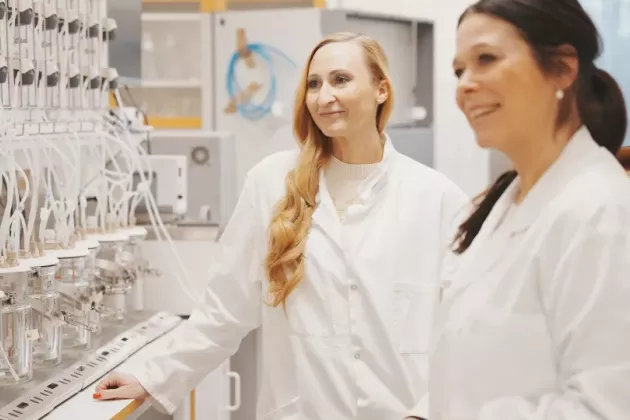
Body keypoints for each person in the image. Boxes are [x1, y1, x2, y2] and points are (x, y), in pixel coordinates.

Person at [94, 32, 467, 420]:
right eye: (314, 84)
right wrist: (154, 376)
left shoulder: (436, 198)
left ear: (381, 90)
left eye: (341, 79)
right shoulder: (271, 182)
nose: (324, 97)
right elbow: (225, 308)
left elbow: (463, 335)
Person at [426, 0, 630, 419]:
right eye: (459, 70)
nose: (465, 84)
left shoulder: (600, 213)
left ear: (563, 68)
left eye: (486, 59)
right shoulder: (497, 208)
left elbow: (606, 406)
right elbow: (464, 369)